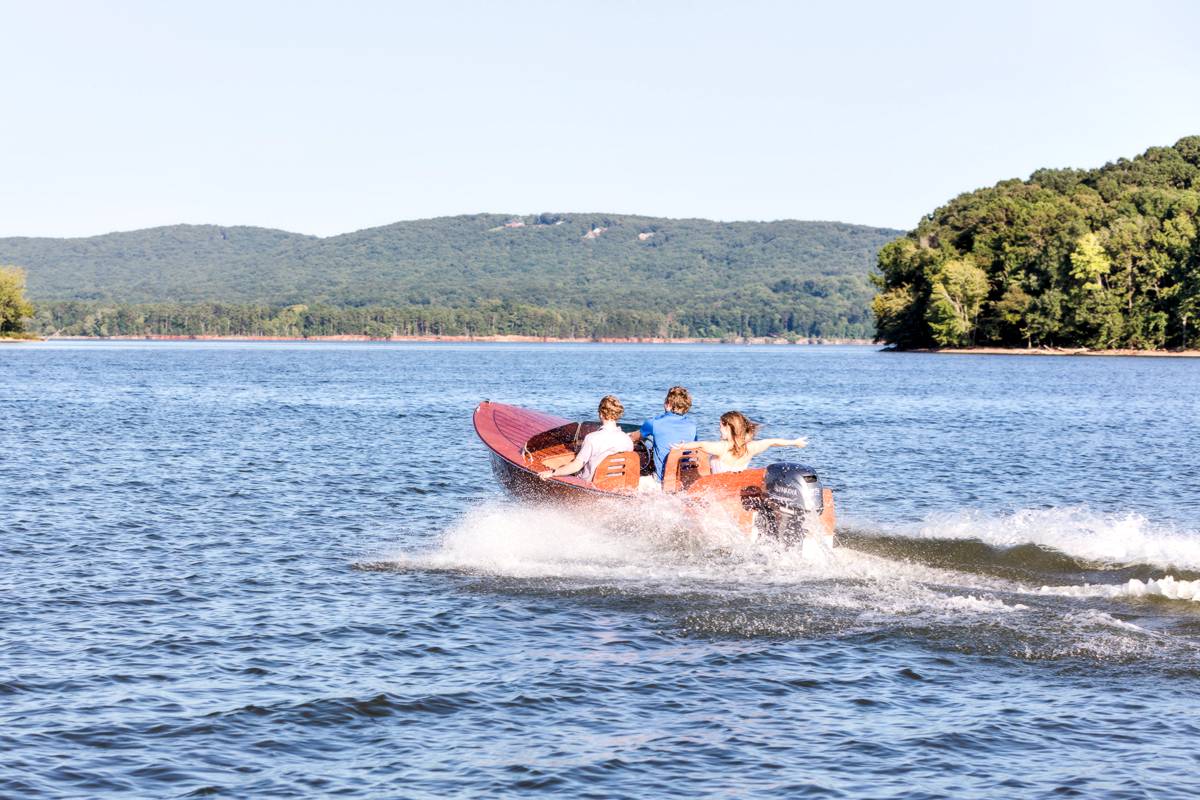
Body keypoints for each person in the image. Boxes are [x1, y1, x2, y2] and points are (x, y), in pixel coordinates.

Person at [671, 410, 806, 473]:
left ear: (729, 427)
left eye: (720, 426)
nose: (719, 429)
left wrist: (683, 446)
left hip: (719, 490)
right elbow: (771, 441)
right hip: (736, 488)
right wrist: (795, 442)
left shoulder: (722, 448)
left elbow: (701, 444)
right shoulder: (750, 447)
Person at [539, 395, 634, 482]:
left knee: (564, 467)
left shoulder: (592, 438)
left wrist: (552, 473)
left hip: (591, 485)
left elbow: (576, 466)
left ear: (601, 414)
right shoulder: (627, 440)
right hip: (616, 484)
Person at [637, 386, 698, 481]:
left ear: (668, 404)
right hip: (682, 479)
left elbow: (635, 437)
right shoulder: (692, 427)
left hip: (660, 481)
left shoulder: (654, 423)